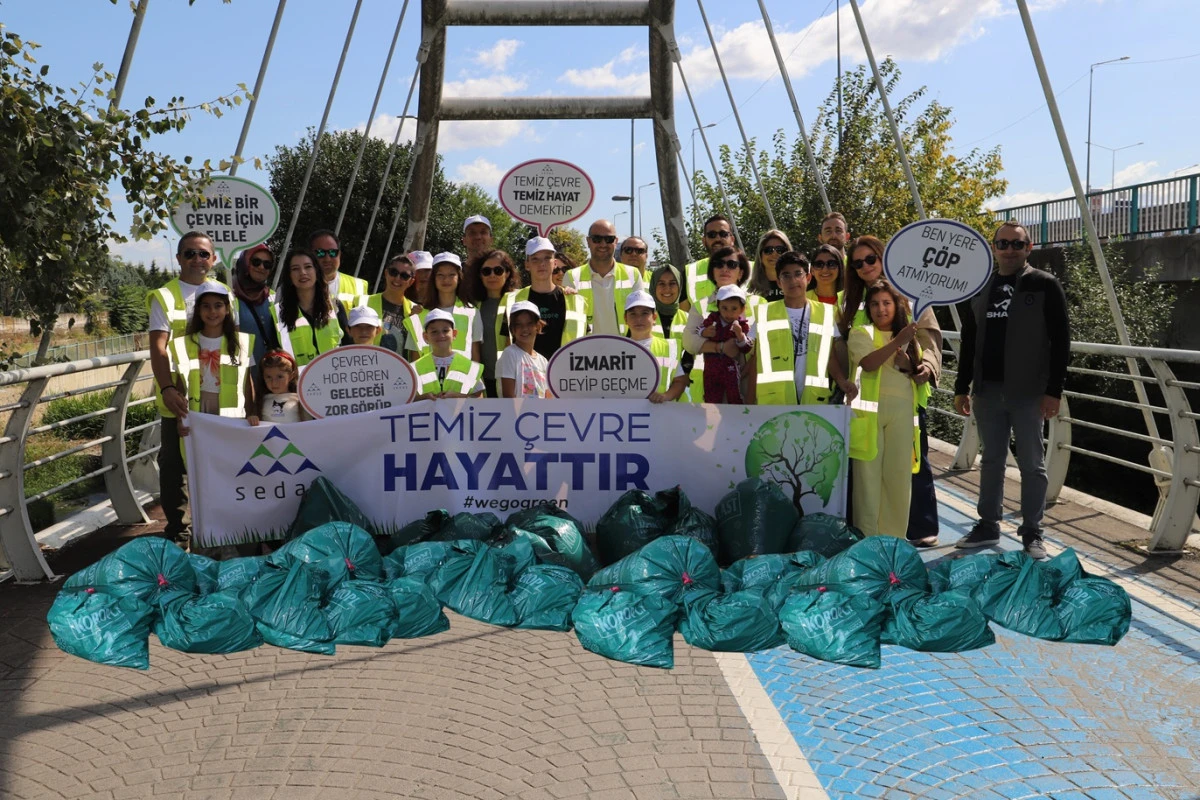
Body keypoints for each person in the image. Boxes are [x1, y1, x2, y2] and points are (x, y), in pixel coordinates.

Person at [953, 221, 1070, 560]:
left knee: (1032, 463)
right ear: (994, 247)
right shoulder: (980, 286)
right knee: (991, 460)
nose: (1009, 249)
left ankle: (1033, 532)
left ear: (1028, 248)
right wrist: (962, 386)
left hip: (1029, 391)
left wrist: (1054, 390)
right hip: (987, 389)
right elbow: (969, 340)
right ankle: (988, 526)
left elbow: (1061, 340)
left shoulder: (1044, 284)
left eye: (1017, 244)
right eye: (1002, 243)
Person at [838, 234, 942, 543]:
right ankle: (868, 532)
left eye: (870, 258)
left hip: (907, 394)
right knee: (867, 471)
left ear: (884, 257)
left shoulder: (912, 296)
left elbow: (929, 340)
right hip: (866, 403)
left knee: (912, 463)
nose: (865, 266)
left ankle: (920, 528)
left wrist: (926, 367)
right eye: (858, 263)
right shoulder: (850, 304)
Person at [147, 231, 234, 549]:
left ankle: (225, 528)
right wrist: (167, 387)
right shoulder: (165, 296)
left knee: (224, 461)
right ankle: (179, 535)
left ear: (213, 259)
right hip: (180, 397)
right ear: (179, 258)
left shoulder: (225, 292)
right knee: (174, 466)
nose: (197, 259)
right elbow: (158, 347)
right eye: (189, 253)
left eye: (203, 254)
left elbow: (234, 340)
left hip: (220, 394)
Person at [848, 279, 927, 538]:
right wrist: (897, 342)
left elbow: (918, 378)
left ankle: (894, 540)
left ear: (896, 305)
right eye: (874, 304)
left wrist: (911, 367)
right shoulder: (861, 333)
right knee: (867, 482)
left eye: (886, 303)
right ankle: (867, 541)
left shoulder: (911, 340)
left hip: (902, 415)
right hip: (869, 419)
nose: (881, 309)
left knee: (898, 479)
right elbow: (868, 364)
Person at [752, 251, 853, 406]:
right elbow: (754, 360)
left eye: (798, 274)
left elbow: (829, 356)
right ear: (779, 282)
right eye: (786, 275)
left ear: (808, 277)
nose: (793, 280)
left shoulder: (825, 313)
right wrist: (748, 399)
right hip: (774, 401)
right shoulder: (764, 313)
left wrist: (842, 381)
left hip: (814, 399)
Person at [172, 281, 255, 432]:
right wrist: (180, 419)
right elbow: (181, 384)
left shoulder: (241, 342)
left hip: (231, 413)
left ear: (227, 309)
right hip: (197, 409)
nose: (212, 311)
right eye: (206, 306)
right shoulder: (186, 343)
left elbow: (247, 383)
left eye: (218, 306)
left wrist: (250, 413)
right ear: (198, 310)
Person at [683, 246, 761, 403]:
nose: (724, 268)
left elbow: (762, 347)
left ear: (741, 273)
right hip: (709, 388)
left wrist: (742, 373)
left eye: (731, 264)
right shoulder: (700, 305)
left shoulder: (759, 303)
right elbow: (689, 342)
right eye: (718, 264)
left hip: (749, 387)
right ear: (712, 272)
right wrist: (721, 347)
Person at [498, 237, 588, 360]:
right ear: (527, 265)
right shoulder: (512, 300)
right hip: (524, 371)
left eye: (547, 258)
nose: (542, 264)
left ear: (554, 263)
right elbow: (507, 342)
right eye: (535, 259)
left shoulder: (575, 300)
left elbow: (585, 343)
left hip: (564, 371)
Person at [563, 219, 644, 335]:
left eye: (609, 239)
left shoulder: (633, 274)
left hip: (624, 345)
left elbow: (640, 317)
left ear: (616, 241)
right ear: (588, 241)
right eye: (597, 239)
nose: (603, 244)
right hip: (585, 346)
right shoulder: (572, 277)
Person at [276, 248, 350, 367]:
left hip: (335, 376)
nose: (302, 272)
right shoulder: (278, 313)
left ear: (316, 271)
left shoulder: (335, 306)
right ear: (289, 276)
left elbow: (348, 346)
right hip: (298, 377)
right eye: (295, 269)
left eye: (308, 267)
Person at [231, 244, 286, 394]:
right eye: (256, 262)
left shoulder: (273, 298)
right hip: (241, 382)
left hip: (272, 382)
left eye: (267, 264)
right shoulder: (229, 298)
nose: (261, 267)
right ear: (245, 263)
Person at [467, 249, 522, 398]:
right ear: (480, 275)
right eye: (486, 271)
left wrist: (566, 290)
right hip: (483, 381)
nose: (492, 275)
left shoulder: (520, 299)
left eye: (498, 270)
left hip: (515, 379)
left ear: (507, 273)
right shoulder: (472, 306)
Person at [412, 252, 481, 361]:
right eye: (440, 275)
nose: (446, 280)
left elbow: (475, 353)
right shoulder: (420, 313)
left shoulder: (472, 312)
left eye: (451, 275)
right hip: (428, 372)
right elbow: (415, 355)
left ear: (459, 277)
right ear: (434, 279)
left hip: (461, 372)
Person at [623, 291, 690, 403]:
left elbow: (680, 381)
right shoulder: (616, 349)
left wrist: (665, 396)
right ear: (626, 319)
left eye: (644, 313)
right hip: (627, 411)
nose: (638, 319)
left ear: (654, 317)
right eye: (633, 314)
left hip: (660, 411)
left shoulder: (670, 348)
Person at [682, 214, 753, 309]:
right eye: (712, 235)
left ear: (732, 239)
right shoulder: (689, 272)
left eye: (723, 234)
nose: (717, 238)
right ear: (704, 241)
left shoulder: (755, 269)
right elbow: (684, 313)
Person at [413, 309, 485, 400]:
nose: (441, 335)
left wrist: (459, 397)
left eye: (445, 330)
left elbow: (479, 400)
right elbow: (406, 400)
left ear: (454, 334)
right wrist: (424, 398)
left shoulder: (470, 367)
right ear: (425, 337)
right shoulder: (415, 368)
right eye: (434, 332)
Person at [699, 285, 753, 404]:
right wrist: (704, 332)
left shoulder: (742, 325)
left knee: (734, 395)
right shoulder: (712, 319)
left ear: (742, 309)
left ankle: (737, 415)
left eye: (734, 309)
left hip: (730, 367)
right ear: (718, 306)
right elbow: (699, 330)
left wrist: (740, 335)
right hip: (711, 366)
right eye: (724, 308)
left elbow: (747, 348)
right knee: (711, 397)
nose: (729, 313)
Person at [362, 253, 420, 360]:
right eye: (393, 272)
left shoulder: (415, 311)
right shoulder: (363, 302)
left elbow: (417, 351)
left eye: (404, 276)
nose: (397, 278)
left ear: (411, 282)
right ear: (386, 273)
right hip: (367, 366)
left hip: (400, 369)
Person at [496, 300, 550, 399]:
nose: (524, 329)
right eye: (518, 324)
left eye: (529, 324)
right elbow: (508, 398)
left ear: (538, 326)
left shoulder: (543, 361)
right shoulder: (509, 353)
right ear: (512, 329)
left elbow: (548, 397)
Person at [308, 229, 367, 310]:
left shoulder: (359, 286)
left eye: (332, 252)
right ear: (309, 255)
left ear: (339, 254)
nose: (327, 259)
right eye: (320, 252)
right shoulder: (297, 285)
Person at [253, 350, 311, 424]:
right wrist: (252, 420)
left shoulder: (300, 400)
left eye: (280, 377)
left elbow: (309, 426)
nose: (274, 383)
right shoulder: (260, 401)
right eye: (269, 377)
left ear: (291, 376)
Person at [748, 229, 791, 302]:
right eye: (768, 250)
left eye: (780, 250)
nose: (774, 254)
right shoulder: (750, 289)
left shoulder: (799, 284)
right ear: (760, 255)